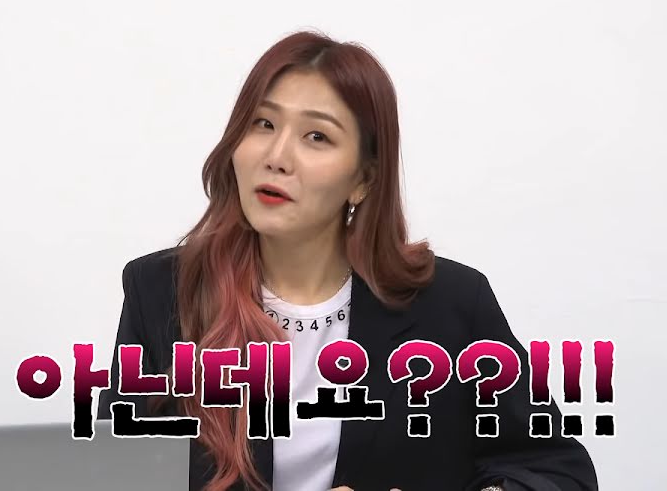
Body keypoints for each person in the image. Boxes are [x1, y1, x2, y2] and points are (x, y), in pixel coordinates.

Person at [98, 30, 597, 491]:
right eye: (263, 123)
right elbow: (112, 477)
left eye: (317, 136)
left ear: (363, 179)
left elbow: (556, 470)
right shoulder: (161, 291)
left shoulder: (452, 304)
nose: (277, 156)